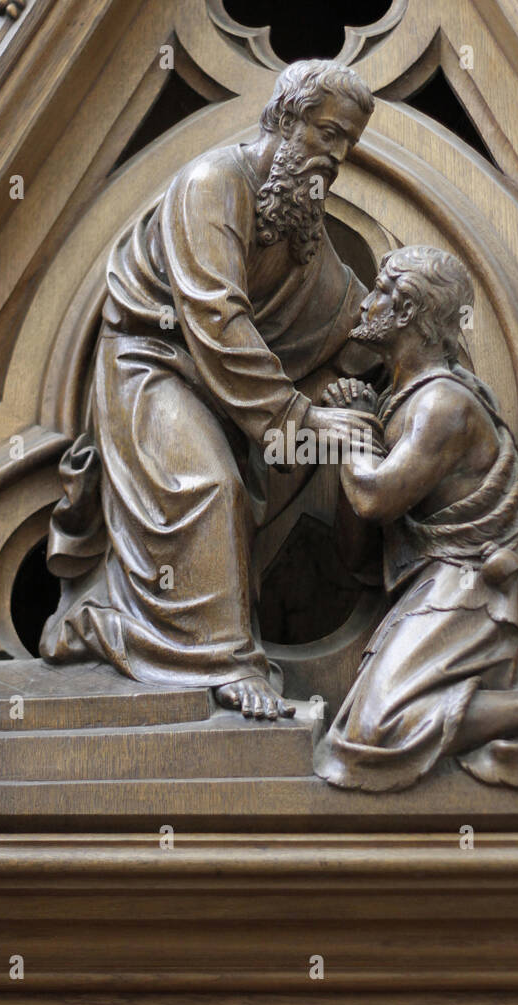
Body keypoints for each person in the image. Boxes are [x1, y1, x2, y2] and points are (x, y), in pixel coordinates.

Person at [40, 60, 378, 719]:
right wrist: (300, 420)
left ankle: (112, 621)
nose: (337, 156)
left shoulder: (298, 213)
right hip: (150, 366)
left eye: (349, 143)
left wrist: (380, 364)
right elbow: (216, 316)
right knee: (211, 488)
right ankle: (216, 662)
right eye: (329, 133)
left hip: (227, 392)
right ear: (286, 118)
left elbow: (342, 310)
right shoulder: (213, 182)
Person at [314, 244, 518, 790]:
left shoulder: (442, 406)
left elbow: (375, 499)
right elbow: (355, 554)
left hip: (478, 585)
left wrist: (352, 433)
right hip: (437, 585)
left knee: (375, 731)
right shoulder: (401, 402)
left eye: (380, 289)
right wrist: (362, 428)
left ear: (408, 311)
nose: (365, 303)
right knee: (368, 729)